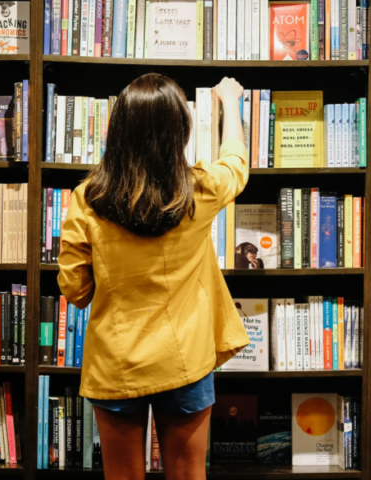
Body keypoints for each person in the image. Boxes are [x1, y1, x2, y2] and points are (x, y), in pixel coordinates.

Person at [57, 73, 249, 480]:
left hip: (116, 362)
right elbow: (237, 163)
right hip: (186, 361)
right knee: (187, 474)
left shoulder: (88, 199)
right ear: (179, 131)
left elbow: (75, 290)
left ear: (119, 129)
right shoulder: (200, 190)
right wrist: (230, 102)